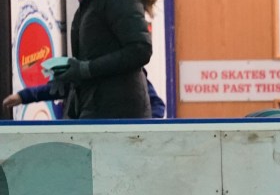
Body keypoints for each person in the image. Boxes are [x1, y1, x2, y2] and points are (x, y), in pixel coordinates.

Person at [53, 0, 161, 119]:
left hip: (119, 115)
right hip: (98, 109)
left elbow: (140, 49)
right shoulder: (92, 1)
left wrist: (86, 69)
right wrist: (75, 74)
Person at [2, 71, 166, 119]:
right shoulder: (86, 69)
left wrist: (147, 127)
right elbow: (59, 88)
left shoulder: (131, 73)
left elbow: (157, 104)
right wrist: (24, 96)